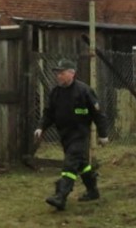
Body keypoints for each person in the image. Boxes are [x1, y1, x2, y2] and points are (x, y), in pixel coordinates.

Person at [34, 58, 109, 211]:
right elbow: (48, 114)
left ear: (71, 73)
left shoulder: (84, 91)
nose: (58, 76)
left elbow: (98, 114)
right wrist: (41, 127)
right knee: (82, 165)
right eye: (57, 73)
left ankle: (60, 196)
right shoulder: (55, 93)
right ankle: (93, 191)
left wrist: (103, 134)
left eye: (61, 73)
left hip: (80, 135)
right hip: (65, 136)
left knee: (70, 163)